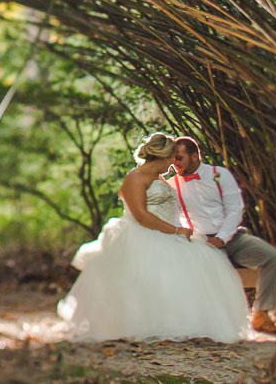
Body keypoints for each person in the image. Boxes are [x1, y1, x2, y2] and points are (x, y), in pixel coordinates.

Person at [56, 132, 251, 342]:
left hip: (168, 233)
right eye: (171, 159)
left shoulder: (161, 179)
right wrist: (175, 231)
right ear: (161, 156)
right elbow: (140, 215)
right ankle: (145, 325)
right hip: (142, 234)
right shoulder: (135, 178)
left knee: (205, 261)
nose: (173, 164)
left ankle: (182, 323)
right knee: (149, 277)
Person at [168, 135, 276, 334]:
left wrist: (222, 237)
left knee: (272, 257)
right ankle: (212, 324)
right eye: (173, 159)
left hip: (232, 236)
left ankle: (261, 313)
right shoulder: (172, 185)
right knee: (214, 271)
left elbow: (235, 209)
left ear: (195, 156)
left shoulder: (219, 174)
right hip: (201, 242)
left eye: (179, 158)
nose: (175, 163)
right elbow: (172, 217)